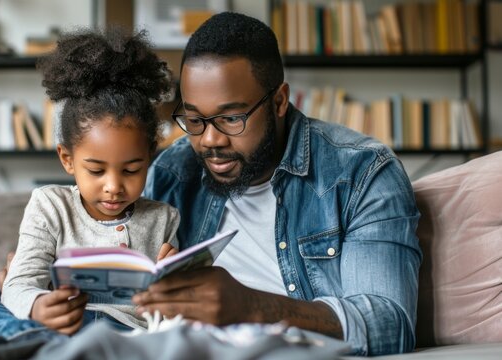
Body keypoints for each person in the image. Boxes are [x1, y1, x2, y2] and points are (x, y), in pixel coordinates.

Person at [130, 12, 422, 356]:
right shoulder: (172, 174)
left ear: (280, 101)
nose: (210, 140)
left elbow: (391, 324)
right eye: (194, 119)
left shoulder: (361, 174)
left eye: (230, 118)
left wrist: (252, 306)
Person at [0, 28, 180, 340]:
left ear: (149, 158)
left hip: (122, 332)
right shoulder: (51, 204)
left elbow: (171, 314)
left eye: (131, 170)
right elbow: (20, 283)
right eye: (96, 170)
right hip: (44, 322)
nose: (113, 186)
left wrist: (173, 283)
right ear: (67, 159)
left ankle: (16, 341)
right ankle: (17, 335)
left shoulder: (164, 218)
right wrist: (36, 306)